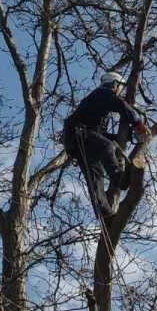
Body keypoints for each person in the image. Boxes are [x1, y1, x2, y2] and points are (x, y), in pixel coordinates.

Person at [63, 71, 149, 217]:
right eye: (120, 88)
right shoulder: (102, 93)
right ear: (115, 85)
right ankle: (119, 178)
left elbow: (100, 135)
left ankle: (106, 215)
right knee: (107, 147)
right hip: (79, 136)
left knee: (96, 179)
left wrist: (123, 137)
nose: (120, 92)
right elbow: (122, 105)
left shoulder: (95, 105)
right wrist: (138, 124)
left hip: (82, 141)